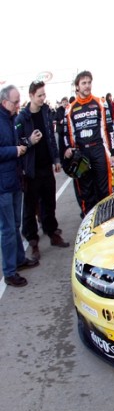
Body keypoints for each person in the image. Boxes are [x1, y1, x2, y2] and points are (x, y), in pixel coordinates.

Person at [15, 80, 70, 261]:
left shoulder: (46, 111)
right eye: (39, 95)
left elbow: (50, 138)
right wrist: (30, 141)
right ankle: (32, 240)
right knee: (30, 207)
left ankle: (52, 232)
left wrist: (56, 159)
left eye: (44, 95)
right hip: (31, 170)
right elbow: (17, 145)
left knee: (49, 202)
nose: (42, 98)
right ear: (30, 96)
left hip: (47, 166)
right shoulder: (22, 118)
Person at [0, 85, 40, 287]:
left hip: (13, 181)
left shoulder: (9, 119)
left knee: (14, 225)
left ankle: (18, 260)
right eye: (15, 102)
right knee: (7, 229)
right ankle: (9, 271)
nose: (18, 105)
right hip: (3, 186)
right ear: (4, 101)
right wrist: (15, 151)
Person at [63, 70, 114, 216]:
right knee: (85, 192)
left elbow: (109, 130)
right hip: (81, 154)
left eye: (89, 82)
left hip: (99, 150)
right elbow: (67, 134)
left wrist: (113, 153)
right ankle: (88, 222)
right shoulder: (70, 109)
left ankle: (108, 220)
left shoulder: (100, 103)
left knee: (104, 190)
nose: (87, 86)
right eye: (83, 83)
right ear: (77, 86)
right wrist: (68, 148)